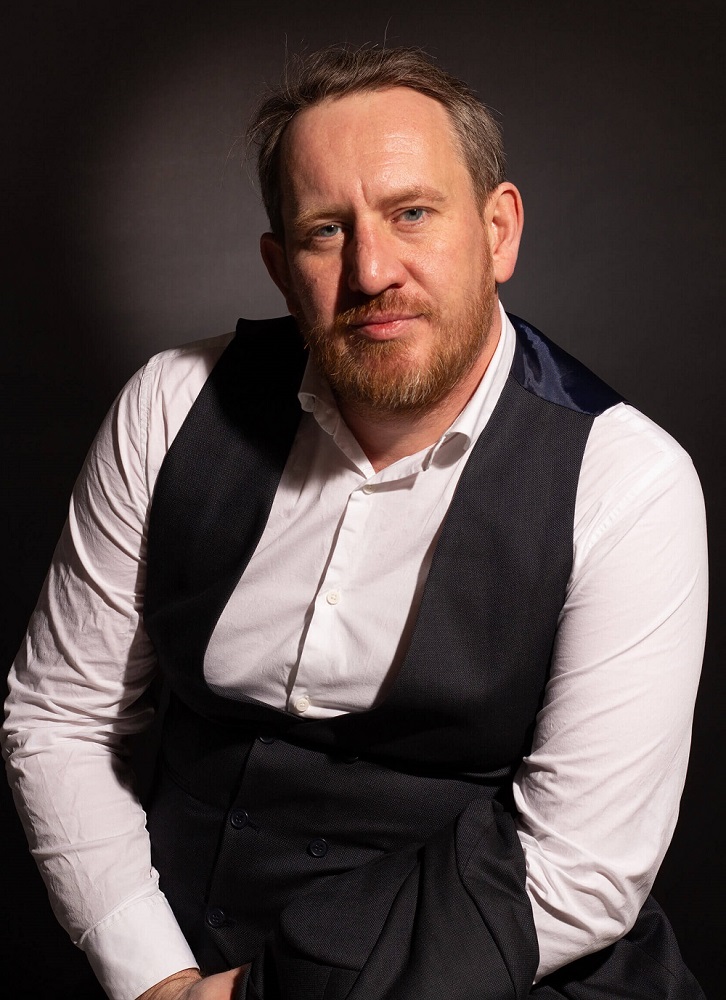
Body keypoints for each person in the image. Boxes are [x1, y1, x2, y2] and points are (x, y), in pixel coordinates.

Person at [2, 45, 708, 1000]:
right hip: (170, 958)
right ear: (280, 268)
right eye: (325, 231)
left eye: (411, 213)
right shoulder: (171, 405)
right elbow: (61, 719)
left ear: (498, 231)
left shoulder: (629, 479)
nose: (372, 271)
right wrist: (154, 975)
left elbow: (581, 866)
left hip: (492, 975)